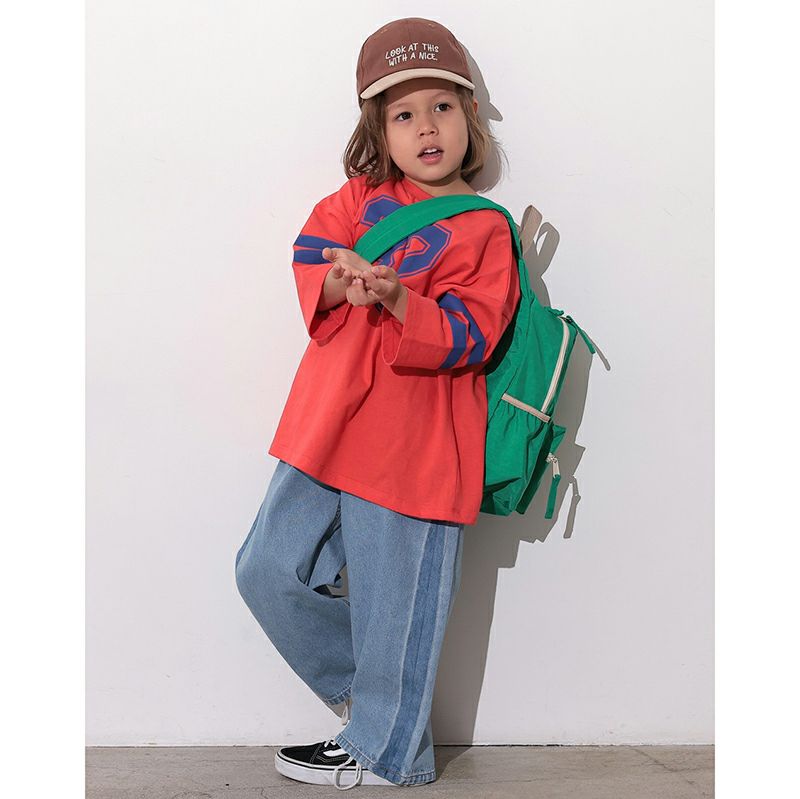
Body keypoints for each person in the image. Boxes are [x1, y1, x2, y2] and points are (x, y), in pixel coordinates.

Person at [235, 16, 521, 790]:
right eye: (403, 114)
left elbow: (475, 333)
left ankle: (391, 749)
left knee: (399, 604)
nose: (426, 127)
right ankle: (379, 714)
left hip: (414, 444)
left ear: (470, 117)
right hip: (327, 427)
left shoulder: (486, 230)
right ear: (378, 130)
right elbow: (309, 253)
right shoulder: (359, 198)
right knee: (266, 569)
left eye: (442, 107)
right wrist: (339, 280)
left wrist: (398, 298)